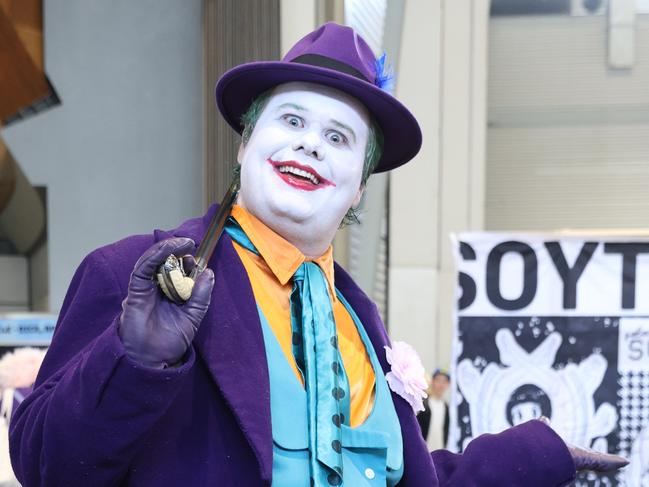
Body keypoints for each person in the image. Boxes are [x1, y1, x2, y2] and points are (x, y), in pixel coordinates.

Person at [9, 22, 626, 486]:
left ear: (359, 184)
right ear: (247, 143)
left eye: (338, 137)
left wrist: (530, 456)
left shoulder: (361, 325)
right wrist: (134, 360)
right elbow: (46, 467)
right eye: (291, 121)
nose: (309, 147)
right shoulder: (133, 275)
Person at [417, 369, 450, 452]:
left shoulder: (446, 407)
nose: (441, 385)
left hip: (439, 451)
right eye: (438, 380)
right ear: (432, 381)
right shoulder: (423, 404)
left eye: (444, 381)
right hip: (423, 451)